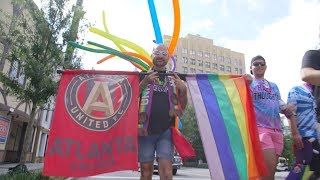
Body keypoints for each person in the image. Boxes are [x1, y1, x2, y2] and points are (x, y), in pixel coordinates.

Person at [138, 44, 188, 180]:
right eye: (157, 53)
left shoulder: (174, 78)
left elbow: (182, 107)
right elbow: (128, 98)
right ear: (152, 55)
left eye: (164, 54)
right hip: (145, 130)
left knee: (166, 173)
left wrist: (183, 90)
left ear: (168, 58)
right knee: (146, 173)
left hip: (166, 131)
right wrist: (144, 82)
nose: (160, 56)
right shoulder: (142, 74)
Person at [248, 55, 286, 180]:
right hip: (260, 130)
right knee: (266, 173)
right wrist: (244, 79)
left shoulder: (274, 86)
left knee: (270, 174)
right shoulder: (248, 83)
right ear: (251, 68)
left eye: (262, 64)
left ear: (266, 67)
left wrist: (289, 109)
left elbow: (279, 103)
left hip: (277, 130)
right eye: (256, 64)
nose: (259, 66)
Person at [285, 83, 320, 180]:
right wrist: (295, 133)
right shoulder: (296, 90)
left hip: (316, 136)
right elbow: (290, 112)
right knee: (300, 168)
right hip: (306, 138)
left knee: (312, 171)